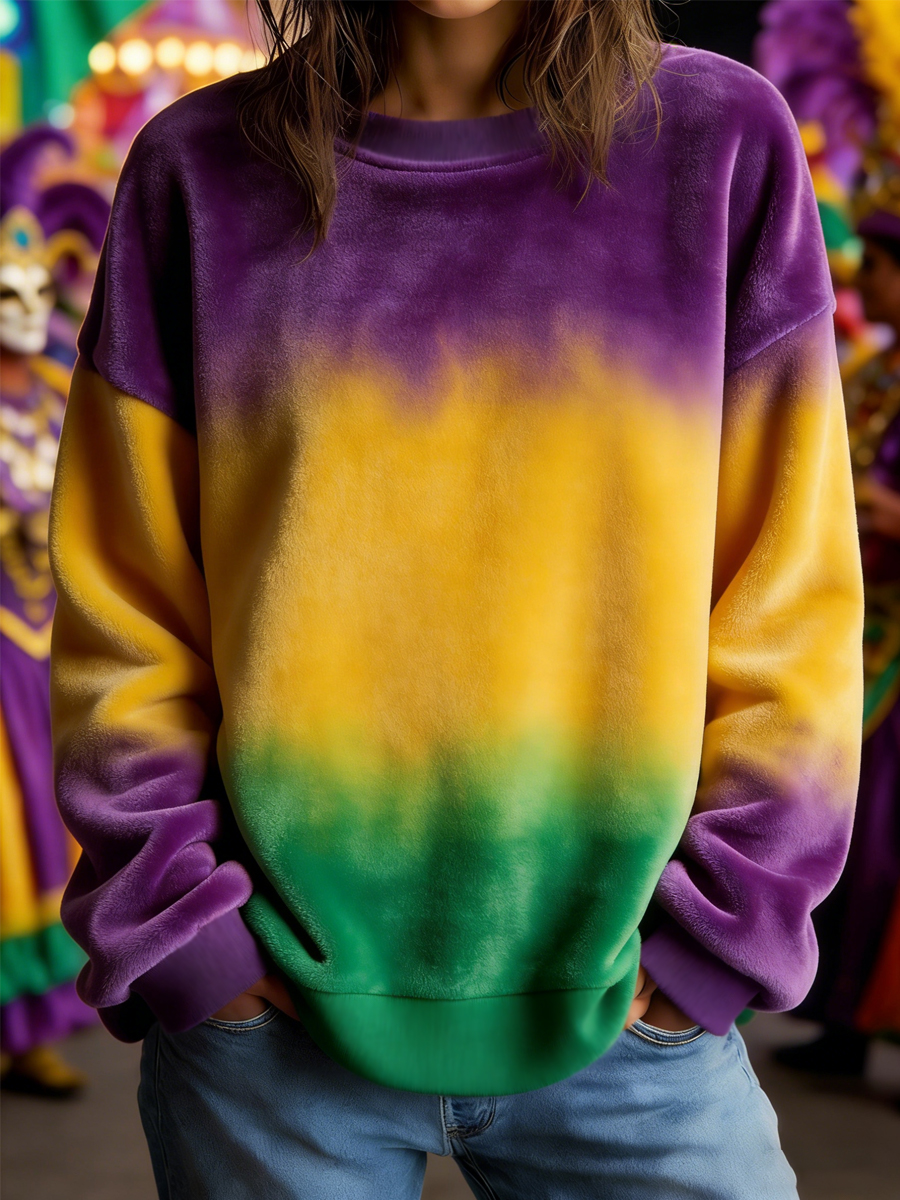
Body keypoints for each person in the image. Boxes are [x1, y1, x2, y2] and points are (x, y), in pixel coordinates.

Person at [48, 2, 863, 1196]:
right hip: (267, 1033)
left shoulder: (721, 142)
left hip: (637, 1019)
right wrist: (192, 941)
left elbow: (788, 599)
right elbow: (125, 609)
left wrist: (714, 940)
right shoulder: (196, 169)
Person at [777, 155, 900, 1077]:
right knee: (846, 826)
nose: (866, 279)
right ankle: (844, 1022)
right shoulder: (868, 373)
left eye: (882, 263)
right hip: (858, 632)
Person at [0, 127, 107, 1096]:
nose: (23, 303)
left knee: (46, 824)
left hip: (42, 645)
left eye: (34, 283)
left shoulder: (53, 388)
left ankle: (34, 1023)